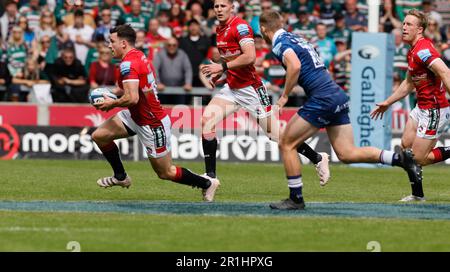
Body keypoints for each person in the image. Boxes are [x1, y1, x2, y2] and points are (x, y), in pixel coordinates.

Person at [258, 10, 423, 210]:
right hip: (336, 94)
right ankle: (400, 159)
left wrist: (284, 96)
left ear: (263, 29)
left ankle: (296, 198)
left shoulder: (279, 43)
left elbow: (294, 66)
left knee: (286, 143)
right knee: (347, 154)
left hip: (322, 98)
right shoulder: (295, 37)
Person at [200, 0, 330, 186]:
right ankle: (211, 179)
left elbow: (250, 56)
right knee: (206, 121)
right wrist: (221, 72)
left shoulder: (241, 27)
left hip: (251, 89)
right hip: (232, 87)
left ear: (231, 7)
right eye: (216, 6)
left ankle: (318, 158)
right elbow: (233, 58)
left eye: (223, 6)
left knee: (277, 136)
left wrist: (221, 66)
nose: (219, 9)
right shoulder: (219, 29)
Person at [91, 24, 220, 202]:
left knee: (165, 172)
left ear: (123, 43)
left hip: (152, 123)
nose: (109, 45)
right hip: (135, 115)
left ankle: (206, 183)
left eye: (111, 42)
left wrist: (111, 103)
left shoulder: (128, 64)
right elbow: (127, 90)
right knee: (100, 136)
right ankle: (120, 177)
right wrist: (107, 94)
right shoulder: (137, 56)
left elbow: (132, 98)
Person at [371, 9, 450, 202]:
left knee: (418, 158)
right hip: (421, 108)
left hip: (434, 110)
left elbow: (445, 71)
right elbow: (408, 83)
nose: (403, 27)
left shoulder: (423, 50)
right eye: (403, 23)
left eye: (409, 25)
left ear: (420, 30)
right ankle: (417, 195)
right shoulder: (413, 50)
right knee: (406, 147)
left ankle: (417, 195)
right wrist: (387, 103)